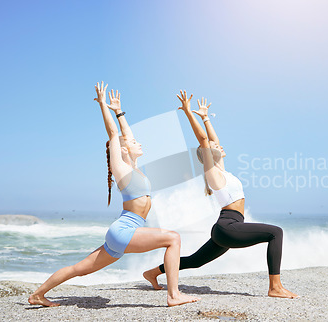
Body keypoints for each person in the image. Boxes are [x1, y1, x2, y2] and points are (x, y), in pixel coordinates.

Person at [28, 82, 200, 307]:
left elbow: (126, 134)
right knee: (173, 238)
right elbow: (114, 134)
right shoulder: (121, 169)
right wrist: (102, 105)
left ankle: (37, 295)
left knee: (78, 269)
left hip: (123, 233)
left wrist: (119, 111)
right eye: (134, 143)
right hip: (124, 231)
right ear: (123, 149)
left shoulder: (133, 165)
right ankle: (174, 295)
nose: (139, 143)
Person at [143, 91, 298, 299]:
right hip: (228, 227)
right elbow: (205, 139)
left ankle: (152, 273)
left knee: (196, 261)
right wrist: (189, 113)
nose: (219, 145)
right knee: (275, 233)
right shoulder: (212, 173)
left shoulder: (222, 170)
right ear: (207, 153)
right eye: (215, 147)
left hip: (227, 227)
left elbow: (212, 138)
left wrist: (205, 117)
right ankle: (275, 287)